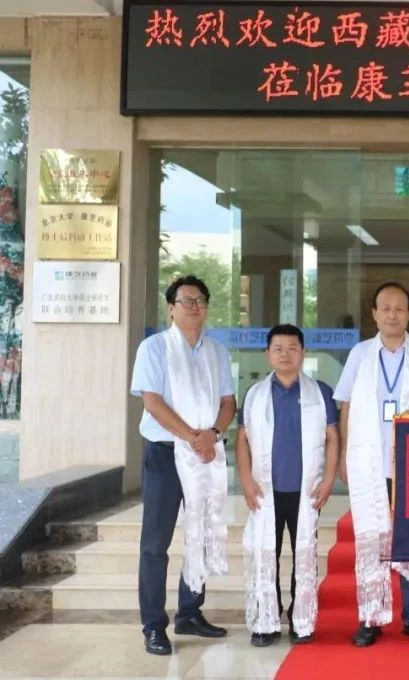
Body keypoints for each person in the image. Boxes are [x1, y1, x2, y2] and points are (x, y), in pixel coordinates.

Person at [334, 282, 409, 647]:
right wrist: (343, 455)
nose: (392, 315)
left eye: (400, 308)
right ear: (374, 314)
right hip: (367, 460)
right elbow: (346, 404)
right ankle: (371, 617)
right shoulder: (360, 354)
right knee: (370, 539)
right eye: (385, 308)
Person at [130, 275, 236, 656]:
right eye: (186, 300)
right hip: (165, 453)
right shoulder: (154, 348)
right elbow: (152, 402)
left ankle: (190, 612)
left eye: (200, 301)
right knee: (155, 543)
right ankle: (153, 625)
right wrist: (194, 436)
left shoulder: (217, 352)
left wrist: (213, 433)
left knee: (202, 533)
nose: (194, 306)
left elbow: (228, 402)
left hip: (206, 452)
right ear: (171, 308)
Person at [236, 324, 339, 647]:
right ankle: (266, 621)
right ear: (268, 353)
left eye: (292, 348)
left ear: (303, 352)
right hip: (265, 490)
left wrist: (329, 480)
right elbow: (242, 440)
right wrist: (246, 480)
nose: (285, 355)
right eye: (278, 349)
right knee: (266, 552)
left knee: (303, 555)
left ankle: (300, 618)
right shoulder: (254, 394)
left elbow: (333, 438)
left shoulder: (320, 392)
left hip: (306, 491)